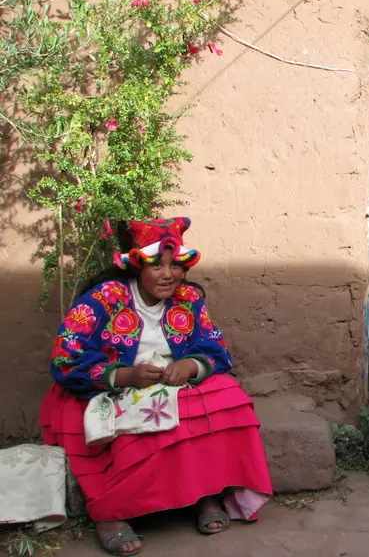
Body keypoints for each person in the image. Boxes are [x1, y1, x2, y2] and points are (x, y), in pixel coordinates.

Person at [39, 217, 272, 556]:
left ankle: (206, 493)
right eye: (158, 265)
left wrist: (191, 365)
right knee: (112, 417)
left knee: (227, 397)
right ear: (136, 265)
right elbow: (65, 356)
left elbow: (215, 348)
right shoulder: (105, 298)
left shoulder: (188, 299)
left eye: (176, 264)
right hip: (110, 385)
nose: (169, 274)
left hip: (169, 383)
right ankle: (112, 513)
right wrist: (124, 376)